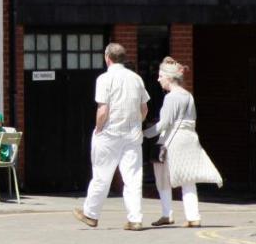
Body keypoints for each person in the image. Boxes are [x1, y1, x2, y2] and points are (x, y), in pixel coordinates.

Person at [74, 42, 149, 230]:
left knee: (101, 175)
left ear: (107, 57)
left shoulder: (104, 79)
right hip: (132, 133)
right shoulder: (136, 79)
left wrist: (99, 128)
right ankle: (135, 218)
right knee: (132, 177)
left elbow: (103, 110)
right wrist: (136, 124)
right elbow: (144, 109)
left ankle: (91, 214)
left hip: (109, 132)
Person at [145, 57, 221, 228]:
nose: (158, 79)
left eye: (160, 76)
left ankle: (167, 214)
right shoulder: (189, 96)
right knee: (188, 178)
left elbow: (164, 124)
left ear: (169, 78)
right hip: (190, 138)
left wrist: (143, 134)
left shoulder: (171, 98)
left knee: (162, 176)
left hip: (173, 141)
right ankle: (193, 216)